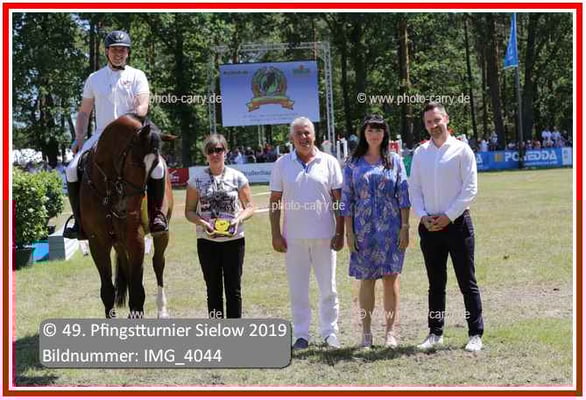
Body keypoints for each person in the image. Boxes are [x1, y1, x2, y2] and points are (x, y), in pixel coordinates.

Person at [64, 30, 168, 239]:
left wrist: (129, 124)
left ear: (128, 53)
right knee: (72, 169)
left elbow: (142, 106)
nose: (119, 54)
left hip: (132, 134)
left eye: (123, 50)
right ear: (106, 51)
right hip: (101, 133)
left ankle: (156, 215)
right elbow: (84, 112)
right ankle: (79, 222)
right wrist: (79, 137)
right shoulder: (94, 78)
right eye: (114, 50)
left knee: (158, 168)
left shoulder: (137, 75)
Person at [409, 102, 484, 352]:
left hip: (458, 225)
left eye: (437, 120)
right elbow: (414, 189)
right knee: (435, 283)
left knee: (467, 282)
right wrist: (422, 216)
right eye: (429, 122)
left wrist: (449, 216)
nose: (434, 125)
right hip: (429, 226)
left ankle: (475, 334)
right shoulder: (420, 153)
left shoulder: (462, 150)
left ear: (446, 119)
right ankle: (435, 333)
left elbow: (470, 189)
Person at [269, 116, 344, 350]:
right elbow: (275, 201)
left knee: (328, 288)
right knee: (298, 289)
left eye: (307, 133)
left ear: (314, 135)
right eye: (299, 134)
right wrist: (275, 233)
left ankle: (330, 333)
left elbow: (339, 201)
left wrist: (340, 231)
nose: (304, 137)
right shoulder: (282, 164)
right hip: (293, 238)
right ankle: (301, 334)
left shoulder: (329, 162)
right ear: (291, 138)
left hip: (325, 236)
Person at [340, 115, 410, 348]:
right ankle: (366, 333)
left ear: (385, 133)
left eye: (379, 130)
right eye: (371, 130)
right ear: (364, 133)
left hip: (391, 228)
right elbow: (347, 199)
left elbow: (403, 195)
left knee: (391, 279)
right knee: (367, 280)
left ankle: (390, 332)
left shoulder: (395, 160)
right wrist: (349, 232)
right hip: (363, 229)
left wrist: (405, 227)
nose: (375, 134)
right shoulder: (353, 163)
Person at [185, 134, 255, 319]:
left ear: (226, 152)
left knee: (234, 289)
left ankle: (234, 329)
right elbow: (189, 211)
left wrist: (238, 219)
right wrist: (203, 223)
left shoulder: (238, 177)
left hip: (234, 241)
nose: (215, 154)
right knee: (213, 290)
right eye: (211, 151)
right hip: (207, 242)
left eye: (219, 150)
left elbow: (250, 207)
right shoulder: (195, 181)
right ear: (205, 154)